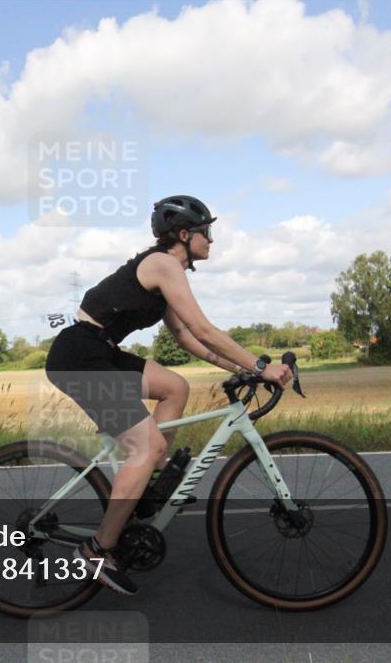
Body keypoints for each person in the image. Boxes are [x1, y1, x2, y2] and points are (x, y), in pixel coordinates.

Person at [44, 195, 293, 595]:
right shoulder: (162, 264)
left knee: (176, 387)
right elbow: (206, 329)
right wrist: (262, 367)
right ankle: (97, 550)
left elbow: (188, 337)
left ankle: (146, 488)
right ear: (183, 234)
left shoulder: (168, 272)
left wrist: (242, 370)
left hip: (100, 351)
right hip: (80, 356)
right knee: (147, 447)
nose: (211, 240)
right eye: (205, 232)